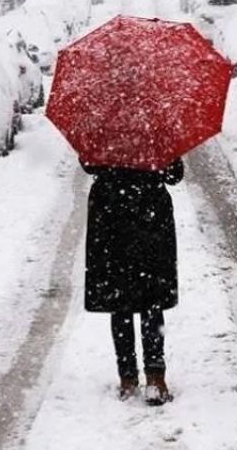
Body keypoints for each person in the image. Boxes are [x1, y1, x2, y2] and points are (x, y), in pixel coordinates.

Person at [82, 158, 183, 405]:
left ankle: (128, 378)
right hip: (150, 215)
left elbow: (89, 164)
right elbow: (174, 174)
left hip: (111, 216)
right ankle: (155, 377)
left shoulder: (103, 126)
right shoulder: (158, 127)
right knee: (151, 299)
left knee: (121, 301)